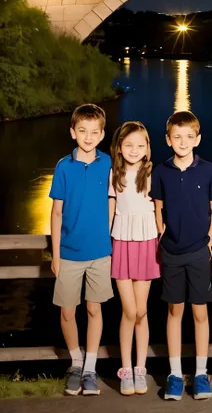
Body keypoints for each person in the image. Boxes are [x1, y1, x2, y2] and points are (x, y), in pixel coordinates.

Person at [151, 111, 212, 401]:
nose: (183, 141)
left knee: (200, 312)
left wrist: (209, 243)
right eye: (177, 136)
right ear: (168, 139)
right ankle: (174, 373)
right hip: (171, 251)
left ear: (198, 139)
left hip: (198, 251)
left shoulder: (207, 171)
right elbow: (158, 208)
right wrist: (161, 235)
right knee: (174, 311)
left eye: (189, 137)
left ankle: (202, 373)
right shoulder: (161, 171)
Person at [50, 104, 113, 396]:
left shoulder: (109, 163)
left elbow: (116, 202)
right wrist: (56, 254)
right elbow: (56, 213)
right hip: (70, 252)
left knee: (94, 308)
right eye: (83, 131)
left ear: (102, 134)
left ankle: (90, 367)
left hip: (100, 251)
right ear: (73, 132)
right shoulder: (64, 166)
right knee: (67, 311)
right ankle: (75, 362)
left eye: (95, 132)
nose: (89, 137)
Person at [109, 121, 160, 396]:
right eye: (128, 144)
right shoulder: (114, 174)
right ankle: (125, 368)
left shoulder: (153, 173)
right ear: (119, 147)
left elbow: (160, 209)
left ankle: (140, 368)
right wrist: (105, 240)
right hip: (121, 242)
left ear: (148, 148)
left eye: (140, 145)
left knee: (142, 311)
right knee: (129, 310)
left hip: (147, 242)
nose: (134, 149)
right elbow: (111, 205)